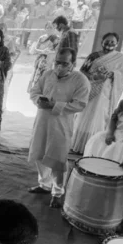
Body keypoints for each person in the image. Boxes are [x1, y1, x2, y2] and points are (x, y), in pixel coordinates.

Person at [28, 48, 90, 208]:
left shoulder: (80, 80)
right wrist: (38, 101)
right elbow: (34, 91)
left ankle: (57, 192)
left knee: (58, 159)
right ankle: (44, 185)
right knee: (40, 154)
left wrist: (54, 105)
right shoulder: (47, 74)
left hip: (61, 124)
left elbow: (80, 104)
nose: (60, 66)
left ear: (73, 64)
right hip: (42, 121)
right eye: (57, 62)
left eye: (65, 63)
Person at [71, 33, 123, 154]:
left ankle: (92, 148)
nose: (109, 44)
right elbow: (82, 71)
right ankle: (79, 145)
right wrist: (94, 76)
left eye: (112, 42)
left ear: (117, 44)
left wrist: (113, 74)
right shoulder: (93, 56)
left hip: (105, 95)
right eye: (107, 41)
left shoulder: (120, 58)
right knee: (84, 117)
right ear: (102, 42)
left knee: (100, 118)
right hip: (91, 90)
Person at [27, 23, 59, 93]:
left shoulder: (56, 38)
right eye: (47, 27)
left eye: (51, 28)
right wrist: (42, 51)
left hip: (51, 60)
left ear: (54, 29)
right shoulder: (42, 38)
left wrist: (50, 52)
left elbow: (58, 51)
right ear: (45, 29)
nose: (49, 29)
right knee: (39, 74)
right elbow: (35, 49)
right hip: (41, 59)